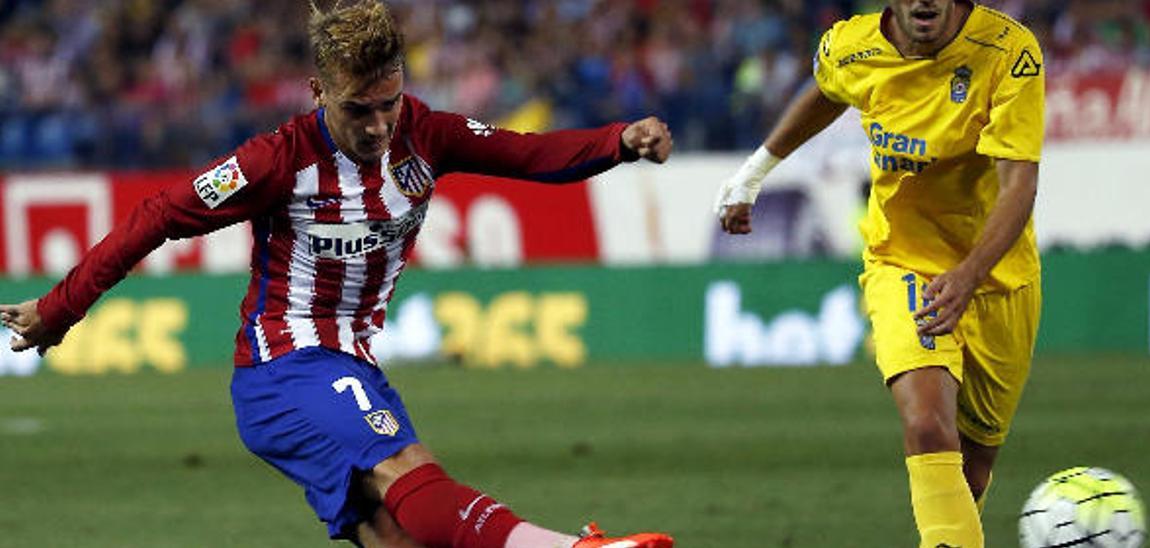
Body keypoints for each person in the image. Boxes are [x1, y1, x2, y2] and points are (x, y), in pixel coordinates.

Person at [0, 2, 675, 547]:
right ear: (319, 92)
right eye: (359, 109)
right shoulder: (275, 161)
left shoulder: (426, 134)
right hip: (285, 367)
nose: (381, 125)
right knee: (409, 468)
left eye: (390, 103)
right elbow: (158, 215)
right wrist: (59, 309)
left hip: (350, 363)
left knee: (404, 535)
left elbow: (529, 154)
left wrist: (618, 141)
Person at [715, 0, 1044, 546]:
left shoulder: (1009, 52)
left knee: (974, 465)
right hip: (903, 260)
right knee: (925, 424)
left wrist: (968, 274)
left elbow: (1019, 186)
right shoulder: (852, 45)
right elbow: (826, 91)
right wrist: (754, 172)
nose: (923, 2)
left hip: (996, 276)